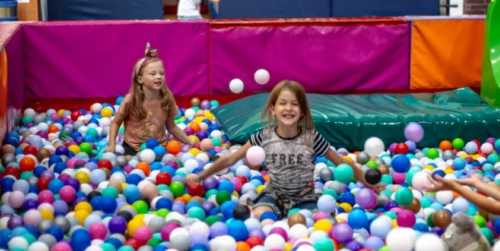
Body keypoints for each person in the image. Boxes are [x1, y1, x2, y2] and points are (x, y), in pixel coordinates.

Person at [190, 80, 377, 218]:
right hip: (274, 195)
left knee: (319, 221)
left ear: (302, 111)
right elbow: (231, 159)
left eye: (295, 104)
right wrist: (200, 176)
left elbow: (341, 162)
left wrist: (367, 183)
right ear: (273, 109)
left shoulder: (311, 138)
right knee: (260, 216)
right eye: (283, 103)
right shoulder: (263, 136)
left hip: (305, 197)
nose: (289, 108)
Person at [106, 44, 193, 155]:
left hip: (159, 147)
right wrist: (111, 145)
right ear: (140, 79)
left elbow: (171, 126)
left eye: (161, 73)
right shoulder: (131, 100)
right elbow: (115, 123)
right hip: (133, 147)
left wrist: (190, 143)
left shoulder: (166, 98)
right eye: (153, 74)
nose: (158, 76)